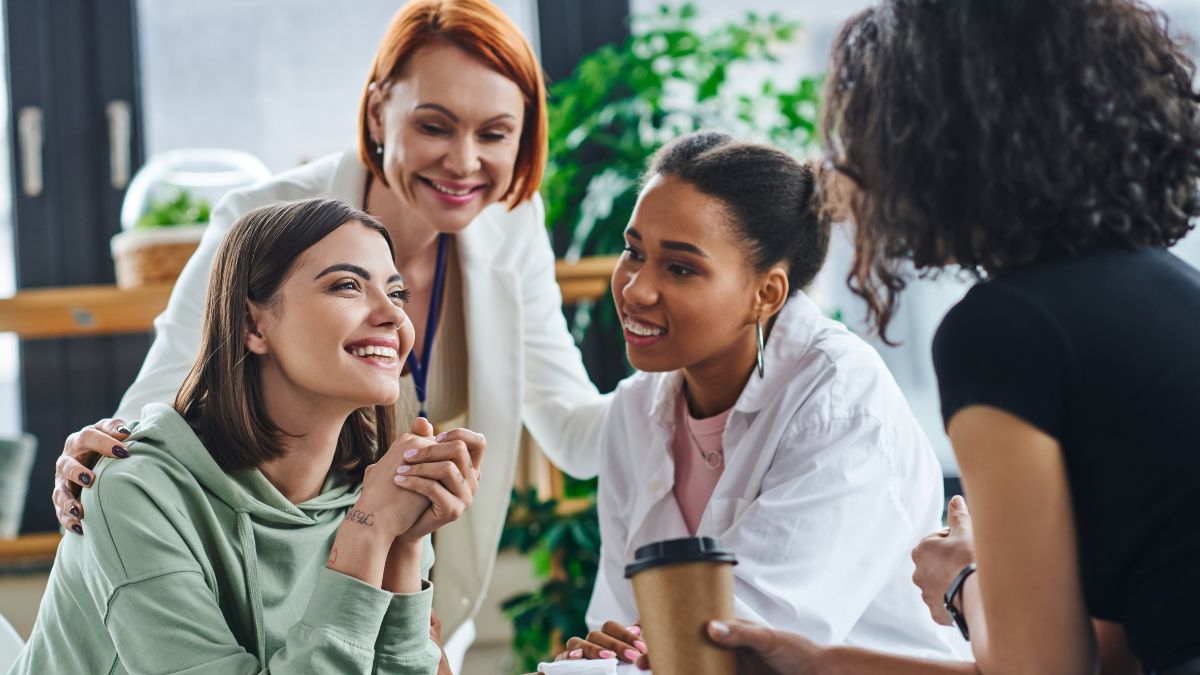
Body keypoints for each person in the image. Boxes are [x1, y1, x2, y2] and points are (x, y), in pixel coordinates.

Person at [49, 0, 608, 662]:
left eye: (494, 133)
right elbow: (176, 401)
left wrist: (723, 373)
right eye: (435, 125)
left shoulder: (510, 226)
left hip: (399, 578)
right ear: (378, 111)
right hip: (271, 591)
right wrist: (104, 457)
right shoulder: (264, 220)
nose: (464, 161)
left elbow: (574, 429)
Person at [706, 1, 1200, 674]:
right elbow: (1109, 656)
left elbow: (1045, 669)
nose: (843, 175)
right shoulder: (1169, 290)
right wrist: (813, 659)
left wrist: (963, 582)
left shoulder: (1002, 330)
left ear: (935, 148)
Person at [12, 198, 483, 673]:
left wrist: (401, 545)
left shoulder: (379, 489)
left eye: (397, 293)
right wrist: (367, 534)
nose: (393, 316)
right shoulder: (133, 491)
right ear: (251, 324)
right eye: (347, 286)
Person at [553, 132, 966, 669]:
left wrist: (627, 653)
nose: (635, 289)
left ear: (766, 294)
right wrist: (609, 649)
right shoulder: (633, 412)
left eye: (680, 268)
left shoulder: (840, 398)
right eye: (634, 252)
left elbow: (749, 640)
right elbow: (620, 626)